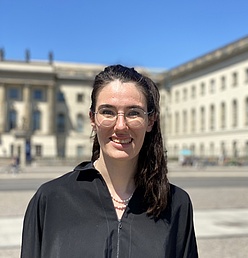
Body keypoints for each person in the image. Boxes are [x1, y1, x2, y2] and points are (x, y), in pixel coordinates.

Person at [21, 64, 198, 258]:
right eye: (108, 111)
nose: (120, 126)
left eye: (133, 113)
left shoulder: (176, 204)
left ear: (150, 121)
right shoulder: (50, 199)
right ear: (92, 118)